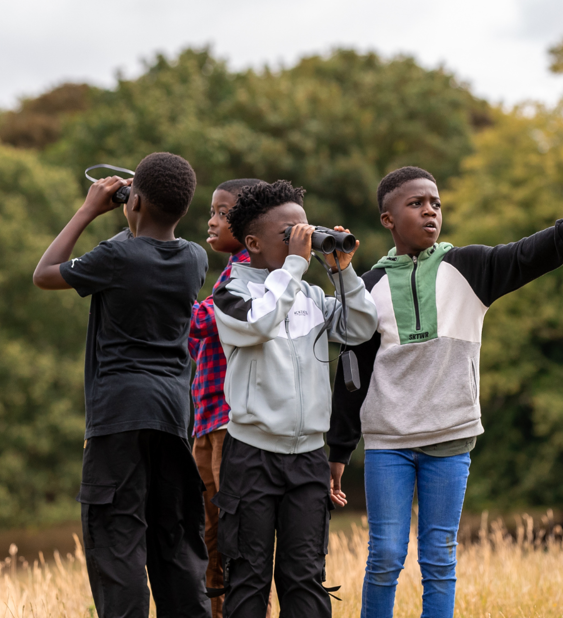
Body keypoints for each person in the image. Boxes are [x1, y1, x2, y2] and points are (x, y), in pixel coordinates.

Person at [327, 166, 563, 618]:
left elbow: (525, 254)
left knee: (439, 558)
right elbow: (353, 374)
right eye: (416, 204)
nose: (430, 211)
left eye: (436, 204)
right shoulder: (367, 288)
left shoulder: (470, 267)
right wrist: (339, 450)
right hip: (390, 443)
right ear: (388, 219)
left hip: (451, 438)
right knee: (385, 556)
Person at [33, 152, 211, 618]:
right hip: (174, 414)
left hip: (119, 414)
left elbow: (45, 273)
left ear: (136, 203)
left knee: (118, 541)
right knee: (173, 538)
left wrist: (89, 209)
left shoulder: (115, 255)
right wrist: (138, 209)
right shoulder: (195, 257)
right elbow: (143, 252)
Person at [212, 180, 379, 618]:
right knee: (248, 578)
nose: (302, 239)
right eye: (289, 233)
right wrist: (293, 267)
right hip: (251, 455)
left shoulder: (311, 296)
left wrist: (342, 270)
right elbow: (258, 323)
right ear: (253, 243)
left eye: (306, 229)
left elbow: (359, 328)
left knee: (304, 577)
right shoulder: (230, 294)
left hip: (307, 457)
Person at [187, 177, 262, 618]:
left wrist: (159, 288)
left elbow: (204, 321)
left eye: (222, 212)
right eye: (211, 212)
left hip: (230, 425)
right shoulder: (228, 269)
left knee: (233, 536)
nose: (212, 222)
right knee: (209, 535)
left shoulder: (249, 273)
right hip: (206, 421)